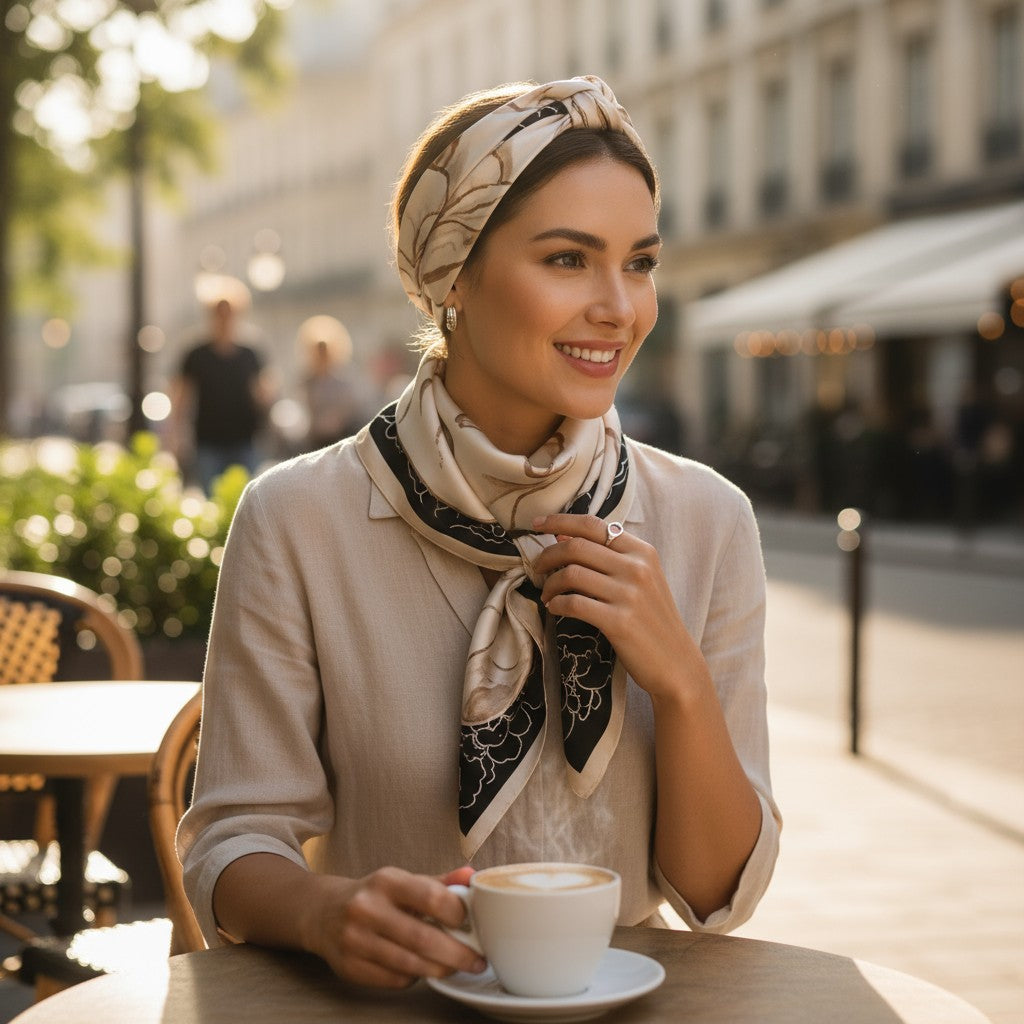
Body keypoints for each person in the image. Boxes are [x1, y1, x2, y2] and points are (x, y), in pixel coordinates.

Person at [179, 76, 781, 990]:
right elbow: (232, 837)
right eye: (569, 260)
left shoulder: (707, 520)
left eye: (642, 261)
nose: (621, 307)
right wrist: (322, 912)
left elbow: (715, 897)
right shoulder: (299, 519)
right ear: (453, 272)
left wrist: (683, 684)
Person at [169, 296, 273, 493]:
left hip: (245, 440)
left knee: (247, 499)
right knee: (212, 498)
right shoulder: (196, 354)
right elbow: (181, 396)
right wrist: (175, 435)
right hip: (208, 441)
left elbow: (262, 393)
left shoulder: (250, 353)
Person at [297, 315, 364, 452]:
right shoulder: (307, 380)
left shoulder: (343, 378)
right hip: (316, 439)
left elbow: (350, 406)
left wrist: (335, 419)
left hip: (342, 434)